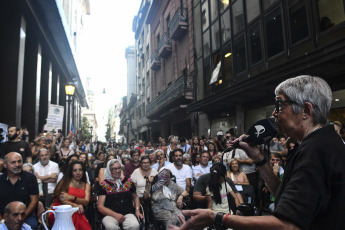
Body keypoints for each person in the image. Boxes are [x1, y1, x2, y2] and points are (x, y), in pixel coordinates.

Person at [169, 75, 345, 230]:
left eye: (280, 104)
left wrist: (216, 217)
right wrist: (258, 158)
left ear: (306, 111)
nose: (275, 113)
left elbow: (288, 224)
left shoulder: (316, 149)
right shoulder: (315, 143)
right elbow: (283, 196)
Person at [97, 159, 142, 230]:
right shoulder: (104, 185)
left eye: (119, 168)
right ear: (109, 170)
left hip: (127, 213)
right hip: (110, 215)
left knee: (134, 225)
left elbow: (136, 197)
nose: (117, 171)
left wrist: (137, 210)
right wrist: (115, 215)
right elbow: (100, 207)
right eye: (114, 169)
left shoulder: (128, 181)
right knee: (110, 226)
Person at [0, 152, 39, 230]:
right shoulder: (0, 179)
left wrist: (21, 218)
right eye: (13, 162)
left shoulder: (30, 178)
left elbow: (34, 200)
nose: (17, 164)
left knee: (33, 226)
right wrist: (1, 219)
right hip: (4, 215)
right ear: (5, 165)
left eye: (19, 161)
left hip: (26, 215)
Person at [49, 160, 91, 230]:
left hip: (78, 210)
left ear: (83, 172)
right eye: (75, 170)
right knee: (73, 215)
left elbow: (86, 202)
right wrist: (76, 205)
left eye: (80, 170)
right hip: (61, 209)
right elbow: (62, 200)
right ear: (71, 172)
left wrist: (72, 197)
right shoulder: (65, 182)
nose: (78, 173)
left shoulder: (86, 185)